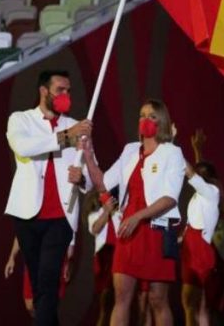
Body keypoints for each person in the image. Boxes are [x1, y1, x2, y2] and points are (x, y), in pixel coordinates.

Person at [82, 99, 186, 326]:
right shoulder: (130, 150)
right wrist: (89, 157)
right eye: (142, 115)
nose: (145, 120)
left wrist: (138, 216)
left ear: (162, 122)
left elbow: (170, 198)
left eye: (152, 116)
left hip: (156, 230)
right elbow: (103, 183)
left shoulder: (172, 153)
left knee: (158, 300)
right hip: (128, 232)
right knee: (122, 297)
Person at [4, 70, 93, 326]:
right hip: (27, 215)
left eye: (68, 90)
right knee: (41, 288)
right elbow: (25, 147)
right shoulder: (21, 120)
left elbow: (90, 172)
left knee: (48, 278)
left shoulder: (76, 126)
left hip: (61, 217)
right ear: (44, 91)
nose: (66, 96)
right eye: (60, 90)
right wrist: (66, 136)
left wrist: (82, 179)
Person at [182, 129, 221, 326]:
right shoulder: (201, 194)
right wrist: (197, 150)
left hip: (199, 252)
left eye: (203, 174)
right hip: (191, 247)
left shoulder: (211, 192)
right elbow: (198, 174)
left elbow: (193, 174)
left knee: (191, 301)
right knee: (196, 304)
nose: (199, 175)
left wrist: (172, 148)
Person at [87, 191, 120, 326]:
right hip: (104, 256)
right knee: (104, 301)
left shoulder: (119, 213)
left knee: (118, 298)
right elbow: (95, 229)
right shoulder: (95, 215)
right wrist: (106, 212)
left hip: (118, 254)